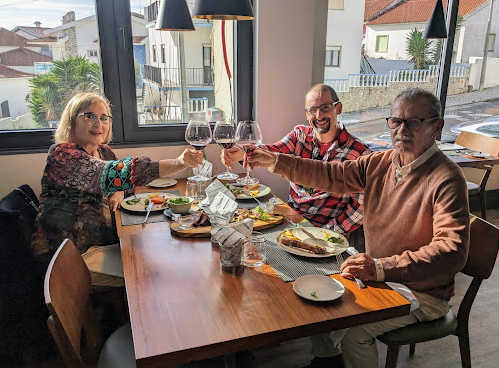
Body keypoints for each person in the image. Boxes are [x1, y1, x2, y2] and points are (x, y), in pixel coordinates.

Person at [245, 88, 470, 368]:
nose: (402, 130)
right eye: (396, 121)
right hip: (378, 278)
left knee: (355, 333)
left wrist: (379, 267)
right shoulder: (381, 162)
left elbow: (451, 251)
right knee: (318, 297)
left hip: (422, 292)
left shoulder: (447, 178)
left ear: (437, 127)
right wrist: (275, 161)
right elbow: (330, 175)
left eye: (413, 122)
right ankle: (328, 362)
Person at [31, 92, 202, 287]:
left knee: (165, 257)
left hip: (103, 245)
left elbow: (121, 184)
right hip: (71, 258)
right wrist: (178, 163)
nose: (98, 123)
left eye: (104, 117)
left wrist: (118, 190)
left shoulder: (103, 151)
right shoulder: (62, 155)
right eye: (89, 116)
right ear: (71, 121)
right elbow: (112, 175)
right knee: (154, 274)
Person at [221, 84, 369, 248]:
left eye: (325, 108)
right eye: (312, 110)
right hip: (290, 219)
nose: (318, 115)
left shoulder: (359, 153)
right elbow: (273, 151)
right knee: (245, 243)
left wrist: (330, 231)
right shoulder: (300, 136)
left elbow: (360, 207)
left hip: (326, 230)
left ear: (338, 108)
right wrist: (242, 153)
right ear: (307, 114)